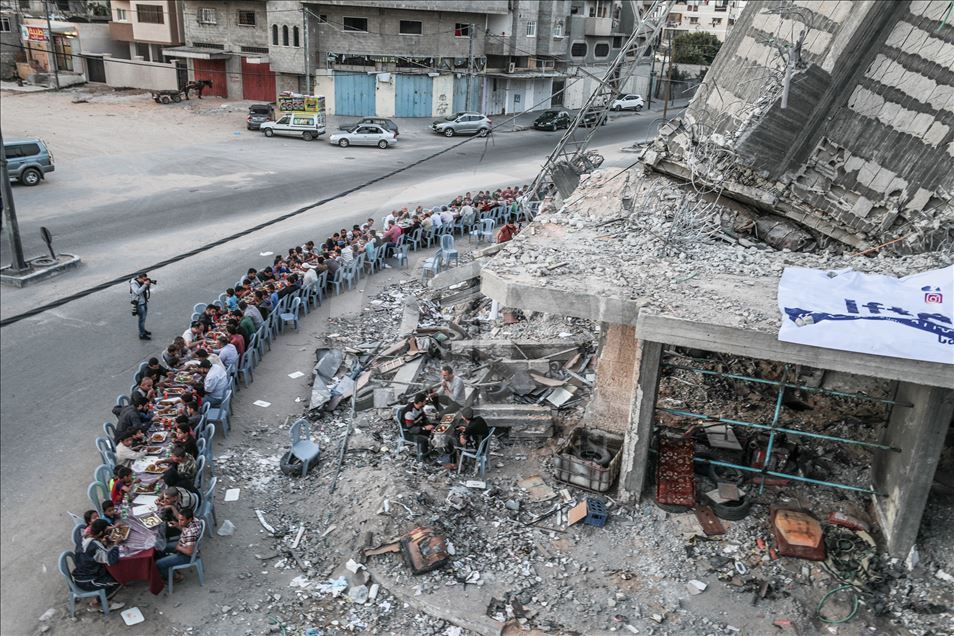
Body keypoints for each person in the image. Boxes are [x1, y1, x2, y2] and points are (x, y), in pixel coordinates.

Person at [72, 519, 125, 611]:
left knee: (115, 574)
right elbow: (111, 560)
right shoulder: (94, 546)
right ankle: (98, 603)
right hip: (88, 580)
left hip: (82, 573)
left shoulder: (84, 536)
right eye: (106, 531)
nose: (108, 532)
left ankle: (100, 600)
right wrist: (116, 545)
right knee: (120, 580)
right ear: (100, 533)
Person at [156, 509, 202, 583]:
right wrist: (177, 525)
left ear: (189, 519)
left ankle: (176, 577)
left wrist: (178, 547)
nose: (180, 522)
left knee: (158, 563)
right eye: (179, 519)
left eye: (182, 520)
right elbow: (185, 530)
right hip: (184, 544)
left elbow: (189, 552)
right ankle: (168, 565)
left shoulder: (190, 533)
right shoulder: (195, 520)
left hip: (186, 555)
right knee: (161, 547)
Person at [129, 272, 153, 340]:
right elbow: (137, 292)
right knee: (141, 319)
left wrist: (148, 285)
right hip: (139, 304)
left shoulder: (142, 282)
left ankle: (143, 330)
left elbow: (146, 290)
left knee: (144, 318)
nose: (145, 280)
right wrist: (145, 285)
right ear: (139, 278)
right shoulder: (133, 283)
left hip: (144, 301)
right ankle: (142, 334)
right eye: (144, 279)